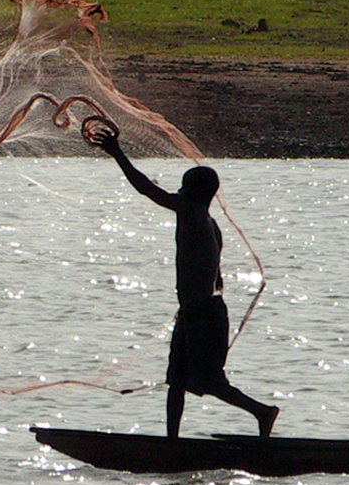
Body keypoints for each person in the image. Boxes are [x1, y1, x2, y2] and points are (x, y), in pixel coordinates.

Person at [84, 118, 278, 439]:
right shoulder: (205, 221)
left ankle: (262, 411)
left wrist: (117, 153)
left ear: (193, 193)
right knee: (176, 381)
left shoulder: (192, 214)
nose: (177, 192)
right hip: (194, 314)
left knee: (209, 382)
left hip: (204, 315)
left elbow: (147, 189)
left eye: (183, 187)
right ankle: (171, 442)